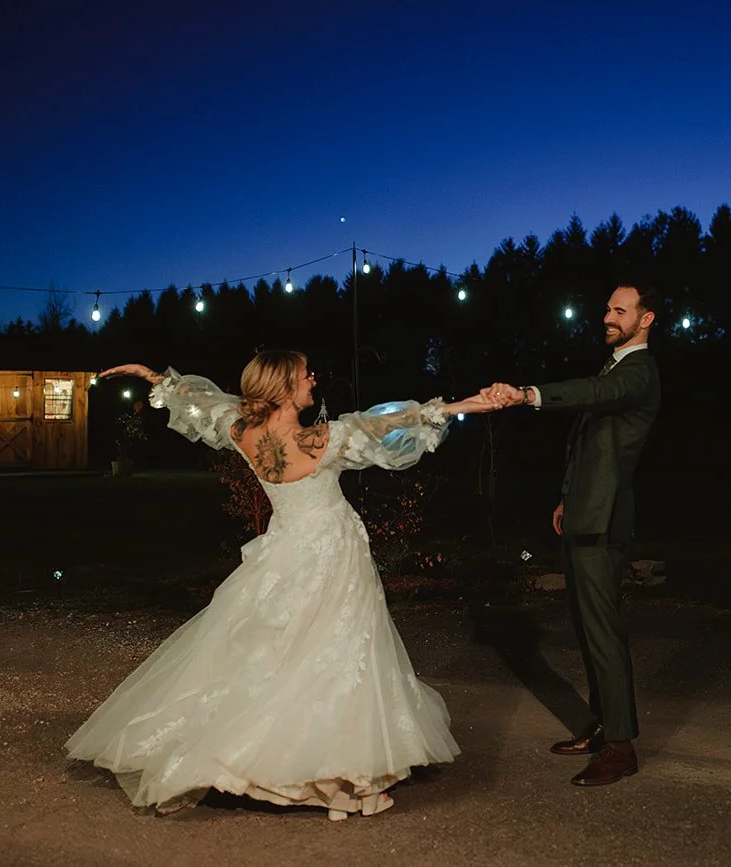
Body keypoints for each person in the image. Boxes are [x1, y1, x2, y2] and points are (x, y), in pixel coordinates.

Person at [66, 350, 498, 820]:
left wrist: (153, 377)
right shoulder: (321, 439)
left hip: (286, 551)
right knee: (339, 653)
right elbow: (402, 419)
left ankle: (321, 780)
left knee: (279, 654)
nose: (312, 378)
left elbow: (205, 402)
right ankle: (350, 787)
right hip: (333, 555)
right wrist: (475, 403)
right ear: (283, 388)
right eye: (303, 374)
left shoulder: (242, 432)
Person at [484, 282, 661, 787]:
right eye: (607, 307)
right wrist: (566, 495)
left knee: (603, 631)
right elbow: (587, 443)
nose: (608, 316)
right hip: (583, 511)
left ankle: (622, 748)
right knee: (587, 629)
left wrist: (528, 394)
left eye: (620, 310)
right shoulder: (614, 367)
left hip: (604, 520)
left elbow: (592, 394)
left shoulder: (639, 372)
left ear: (645, 320)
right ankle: (604, 725)